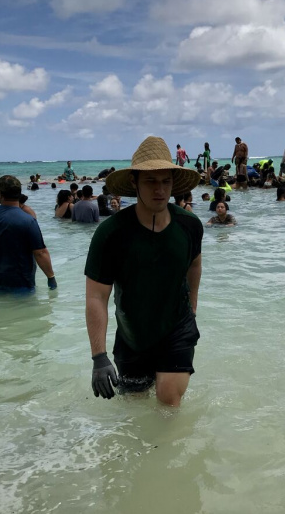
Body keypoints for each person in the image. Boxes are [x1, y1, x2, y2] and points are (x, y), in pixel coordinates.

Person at [86, 136, 203, 406]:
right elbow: (96, 296)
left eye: (166, 181)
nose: (160, 190)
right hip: (131, 334)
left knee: (168, 398)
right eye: (151, 181)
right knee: (134, 406)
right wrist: (99, 357)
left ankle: (171, 449)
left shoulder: (189, 225)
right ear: (134, 182)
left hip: (177, 326)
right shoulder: (110, 233)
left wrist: (193, 309)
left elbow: (194, 264)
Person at [0, 176, 57, 292]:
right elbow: (40, 253)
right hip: (22, 282)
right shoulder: (28, 221)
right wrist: (51, 278)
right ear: (19, 193)